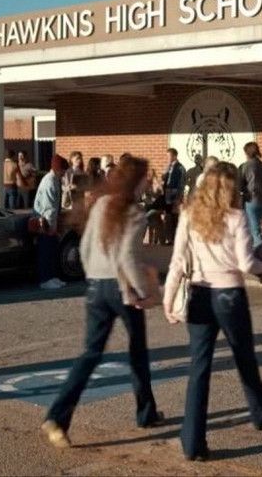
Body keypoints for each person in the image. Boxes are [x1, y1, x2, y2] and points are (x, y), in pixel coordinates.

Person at [41, 155, 164, 449]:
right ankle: (145, 413)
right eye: (146, 177)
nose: (149, 181)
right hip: (121, 288)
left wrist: (93, 275)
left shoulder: (101, 205)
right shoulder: (134, 212)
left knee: (90, 354)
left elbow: (84, 247)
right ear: (137, 180)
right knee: (137, 350)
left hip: (95, 286)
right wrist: (140, 291)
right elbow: (127, 258)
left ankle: (58, 416)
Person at [163, 162, 262, 461]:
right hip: (229, 294)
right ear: (230, 188)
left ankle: (192, 442)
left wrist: (168, 300)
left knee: (199, 368)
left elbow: (177, 261)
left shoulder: (190, 215)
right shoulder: (236, 217)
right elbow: (246, 264)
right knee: (244, 357)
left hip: (199, 294)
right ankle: (261, 411)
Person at [32, 154, 69, 290]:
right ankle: (45, 279)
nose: (64, 173)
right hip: (45, 224)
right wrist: (52, 227)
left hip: (50, 223)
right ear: (58, 169)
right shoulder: (49, 182)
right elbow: (49, 208)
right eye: (64, 170)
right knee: (46, 252)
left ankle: (52, 277)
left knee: (52, 251)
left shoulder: (55, 180)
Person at [239, 142, 262, 246]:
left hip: (251, 201)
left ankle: (260, 255)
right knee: (257, 229)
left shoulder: (245, 167)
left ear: (247, 153)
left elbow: (240, 184)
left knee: (255, 232)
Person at [162, 148, 186, 245]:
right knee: (168, 216)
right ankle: (169, 239)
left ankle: (176, 239)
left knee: (175, 217)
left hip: (175, 194)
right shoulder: (168, 167)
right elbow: (164, 178)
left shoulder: (180, 168)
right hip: (167, 193)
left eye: (169, 156)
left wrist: (178, 197)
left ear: (174, 156)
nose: (167, 158)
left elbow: (181, 183)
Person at [142, 168, 166, 245]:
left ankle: (156, 241)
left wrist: (154, 200)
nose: (151, 177)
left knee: (155, 221)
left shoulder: (157, 184)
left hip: (154, 207)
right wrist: (151, 201)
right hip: (149, 207)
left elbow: (160, 195)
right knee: (149, 222)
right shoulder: (145, 185)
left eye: (152, 175)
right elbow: (144, 197)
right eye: (149, 175)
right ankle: (151, 241)